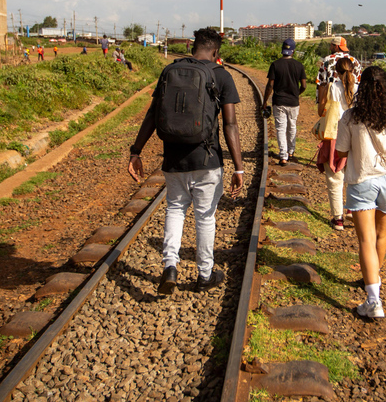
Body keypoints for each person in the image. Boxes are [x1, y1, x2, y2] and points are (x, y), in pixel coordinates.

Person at [128, 28, 244, 294]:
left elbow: (152, 114)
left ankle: (170, 265)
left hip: (173, 158)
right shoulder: (222, 75)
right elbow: (231, 125)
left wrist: (136, 151)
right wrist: (238, 166)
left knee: (175, 209)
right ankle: (205, 274)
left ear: (193, 47)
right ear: (216, 52)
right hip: (207, 160)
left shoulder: (170, 71)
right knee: (205, 217)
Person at [335, 66, 386, 319]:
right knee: (380, 235)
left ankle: (373, 300)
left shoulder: (350, 117)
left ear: (360, 88)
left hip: (362, 180)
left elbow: (341, 152)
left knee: (365, 239)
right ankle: (373, 276)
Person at [316, 37, 362, 231]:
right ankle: (351, 209)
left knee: (335, 178)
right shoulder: (358, 76)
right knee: (353, 175)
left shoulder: (328, 66)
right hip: (355, 135)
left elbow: (321, 106)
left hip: (335, 133)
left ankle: (338, 219)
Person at [262, 38, 307, 165]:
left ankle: (283, 156)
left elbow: (270, 85)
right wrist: (296, 94)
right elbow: (304, 86)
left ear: (283, 50)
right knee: (292, 126)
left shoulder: (275, 65)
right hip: (293, 102)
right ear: (293, 51)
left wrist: (265, 101)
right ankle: (291, 151)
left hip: (279, 101)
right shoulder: (299, 65)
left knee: (281, 128)